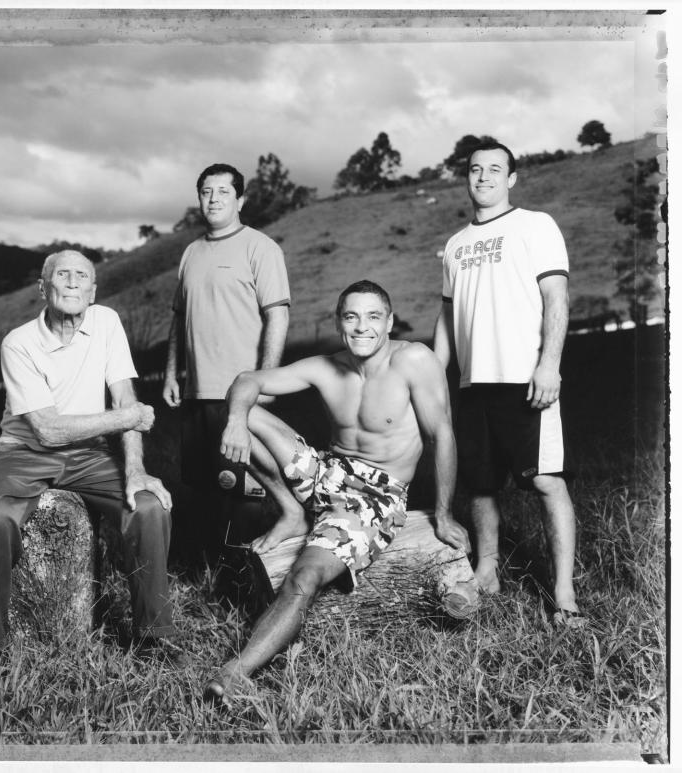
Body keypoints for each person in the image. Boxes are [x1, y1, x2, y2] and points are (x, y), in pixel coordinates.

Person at [203, 280, 470, 705]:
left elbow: (443, 435)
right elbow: (247, 379)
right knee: (235, 410)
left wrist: (444, 513)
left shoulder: (415, 360)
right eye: (351, 317)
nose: (362, 327)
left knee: (303, 576)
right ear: (339, 322)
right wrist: (236, 420)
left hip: (373, 499)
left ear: (389, 321)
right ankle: (291, 511)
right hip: (329, 472)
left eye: (372, 317)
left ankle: (235, 671)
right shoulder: (327, 366)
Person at [0, 250, 176, 664]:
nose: (73, 282)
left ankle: (154, 639)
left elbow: (124, 396)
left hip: (89, 454)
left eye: (83, 276)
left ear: (94, 291)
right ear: (42, 288)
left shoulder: (106, 322)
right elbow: (47, 429)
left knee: (150, 508)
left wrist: (135, 469)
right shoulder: (19, 342)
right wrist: (129, 417)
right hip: (24, 452)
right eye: (62, 274)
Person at [433, 140, 583, 627]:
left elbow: (556, 299)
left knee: (545, 480)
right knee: (479, 484)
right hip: (475, 384)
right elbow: (447, 319)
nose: (484, 177)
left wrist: (549, 364)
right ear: (467, 177)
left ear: (512, 177)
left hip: (525, 377)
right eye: (475, 170)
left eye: (495, 169)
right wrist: (436, 380)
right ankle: (488, 571)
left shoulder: (535, 225)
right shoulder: (455, 245)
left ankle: (563, 596)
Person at [162, 162, 291, 560]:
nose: (214, 198)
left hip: (239, 395)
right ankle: (208, 574)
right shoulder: (191, 252)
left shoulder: (260, 247)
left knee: (244, 491)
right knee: (201, 485)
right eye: (206, 191)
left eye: (223, 191)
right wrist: (171, 373)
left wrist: (264, 382)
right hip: (197, 392)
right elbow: (179, 318)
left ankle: (243, 580)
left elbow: (278, 317)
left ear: (240, 200)